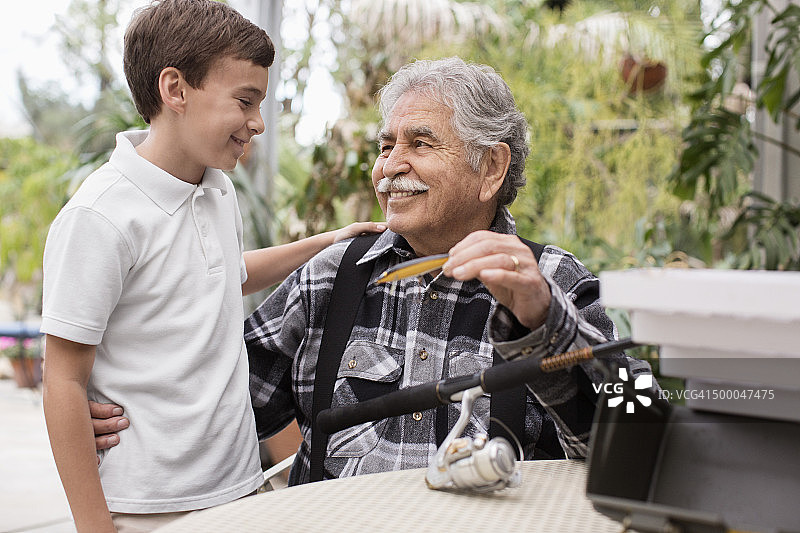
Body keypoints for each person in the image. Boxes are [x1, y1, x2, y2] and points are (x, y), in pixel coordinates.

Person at [92, 57, 653, 487]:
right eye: (386, 146)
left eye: (420, 143)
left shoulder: (553, 280)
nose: (389, 167)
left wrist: (543, 322)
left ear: (490, 168)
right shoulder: (331, 277)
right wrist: (114, 407)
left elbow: (641, 445)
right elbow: (222, 397)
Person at [41, 1, 382, 532]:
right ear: (175, 89)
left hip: (241, 488)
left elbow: (225, 273)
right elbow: (62, 379)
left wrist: (328, 242)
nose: (258, 123)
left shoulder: (217, 188)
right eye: (245, 101)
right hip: (150, 508)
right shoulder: (100, 216)